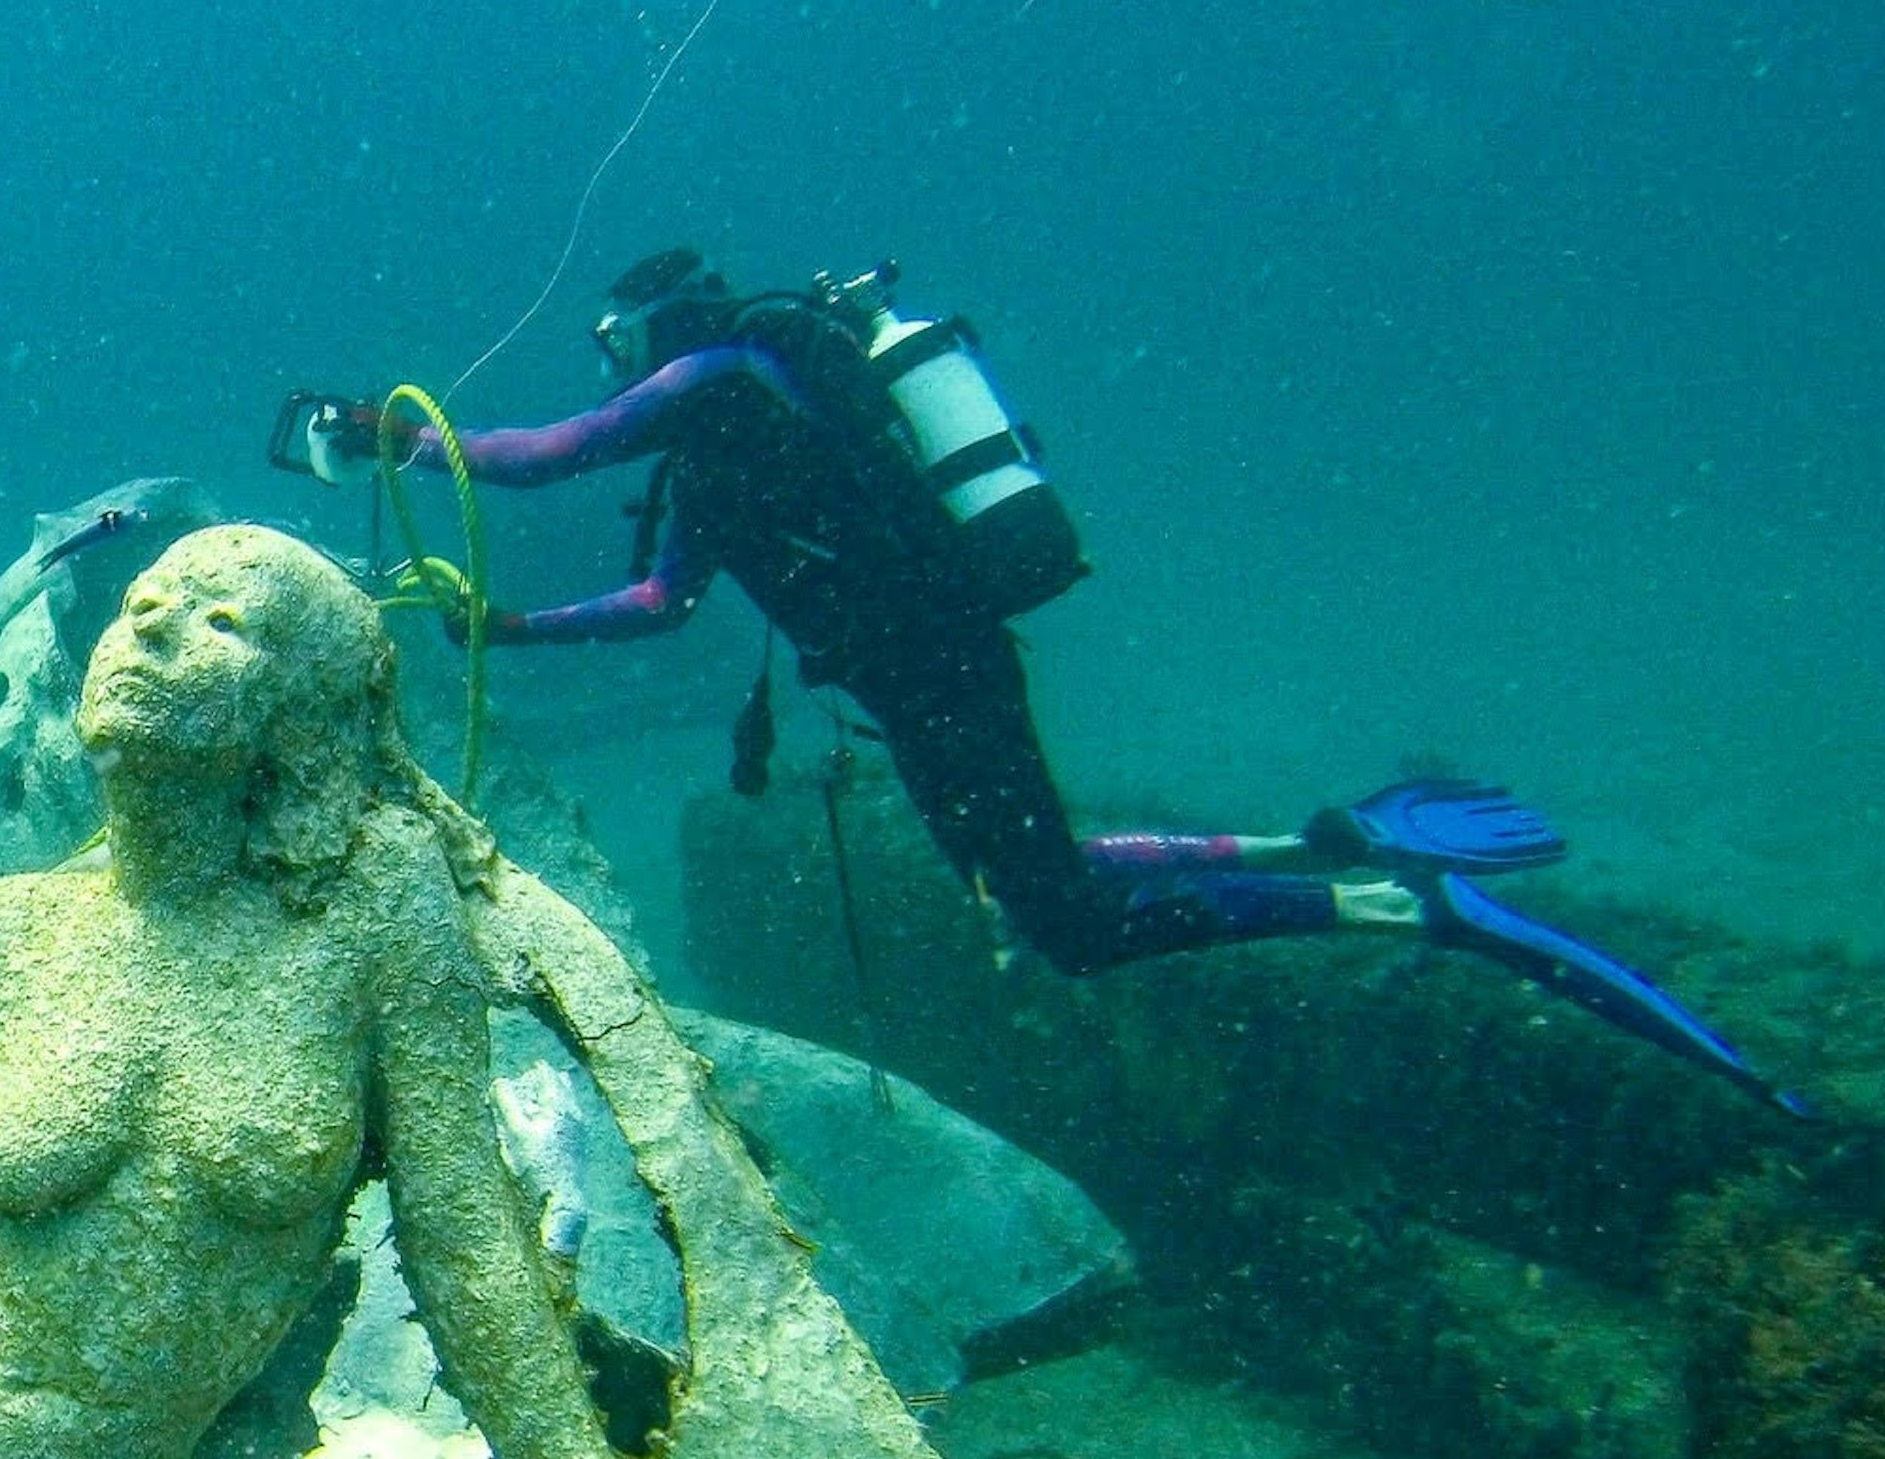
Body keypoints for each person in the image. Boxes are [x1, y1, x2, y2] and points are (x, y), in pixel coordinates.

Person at [276, 248, 1796, 1108]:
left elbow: (544, 455)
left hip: (938, 665)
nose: (620, 371)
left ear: (660, 328)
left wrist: (380, 429)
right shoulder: (724, 465)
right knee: (1041, 877)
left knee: (1057, 923)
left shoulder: (735, 372)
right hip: (921, 675)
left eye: (623, 342)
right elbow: (666, 605)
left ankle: (1406, 901)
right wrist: (515, 637)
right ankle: (1333, 842)